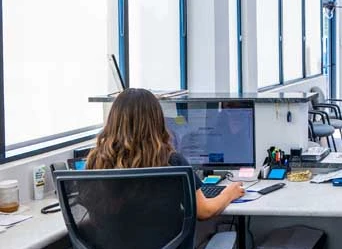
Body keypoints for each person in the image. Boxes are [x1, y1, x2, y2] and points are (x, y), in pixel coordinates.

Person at [86, 88, 245, 220]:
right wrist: (228, 194)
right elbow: (204, 211)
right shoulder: (171, 161)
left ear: (113, 121)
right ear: (157, 121)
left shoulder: (96, 160)